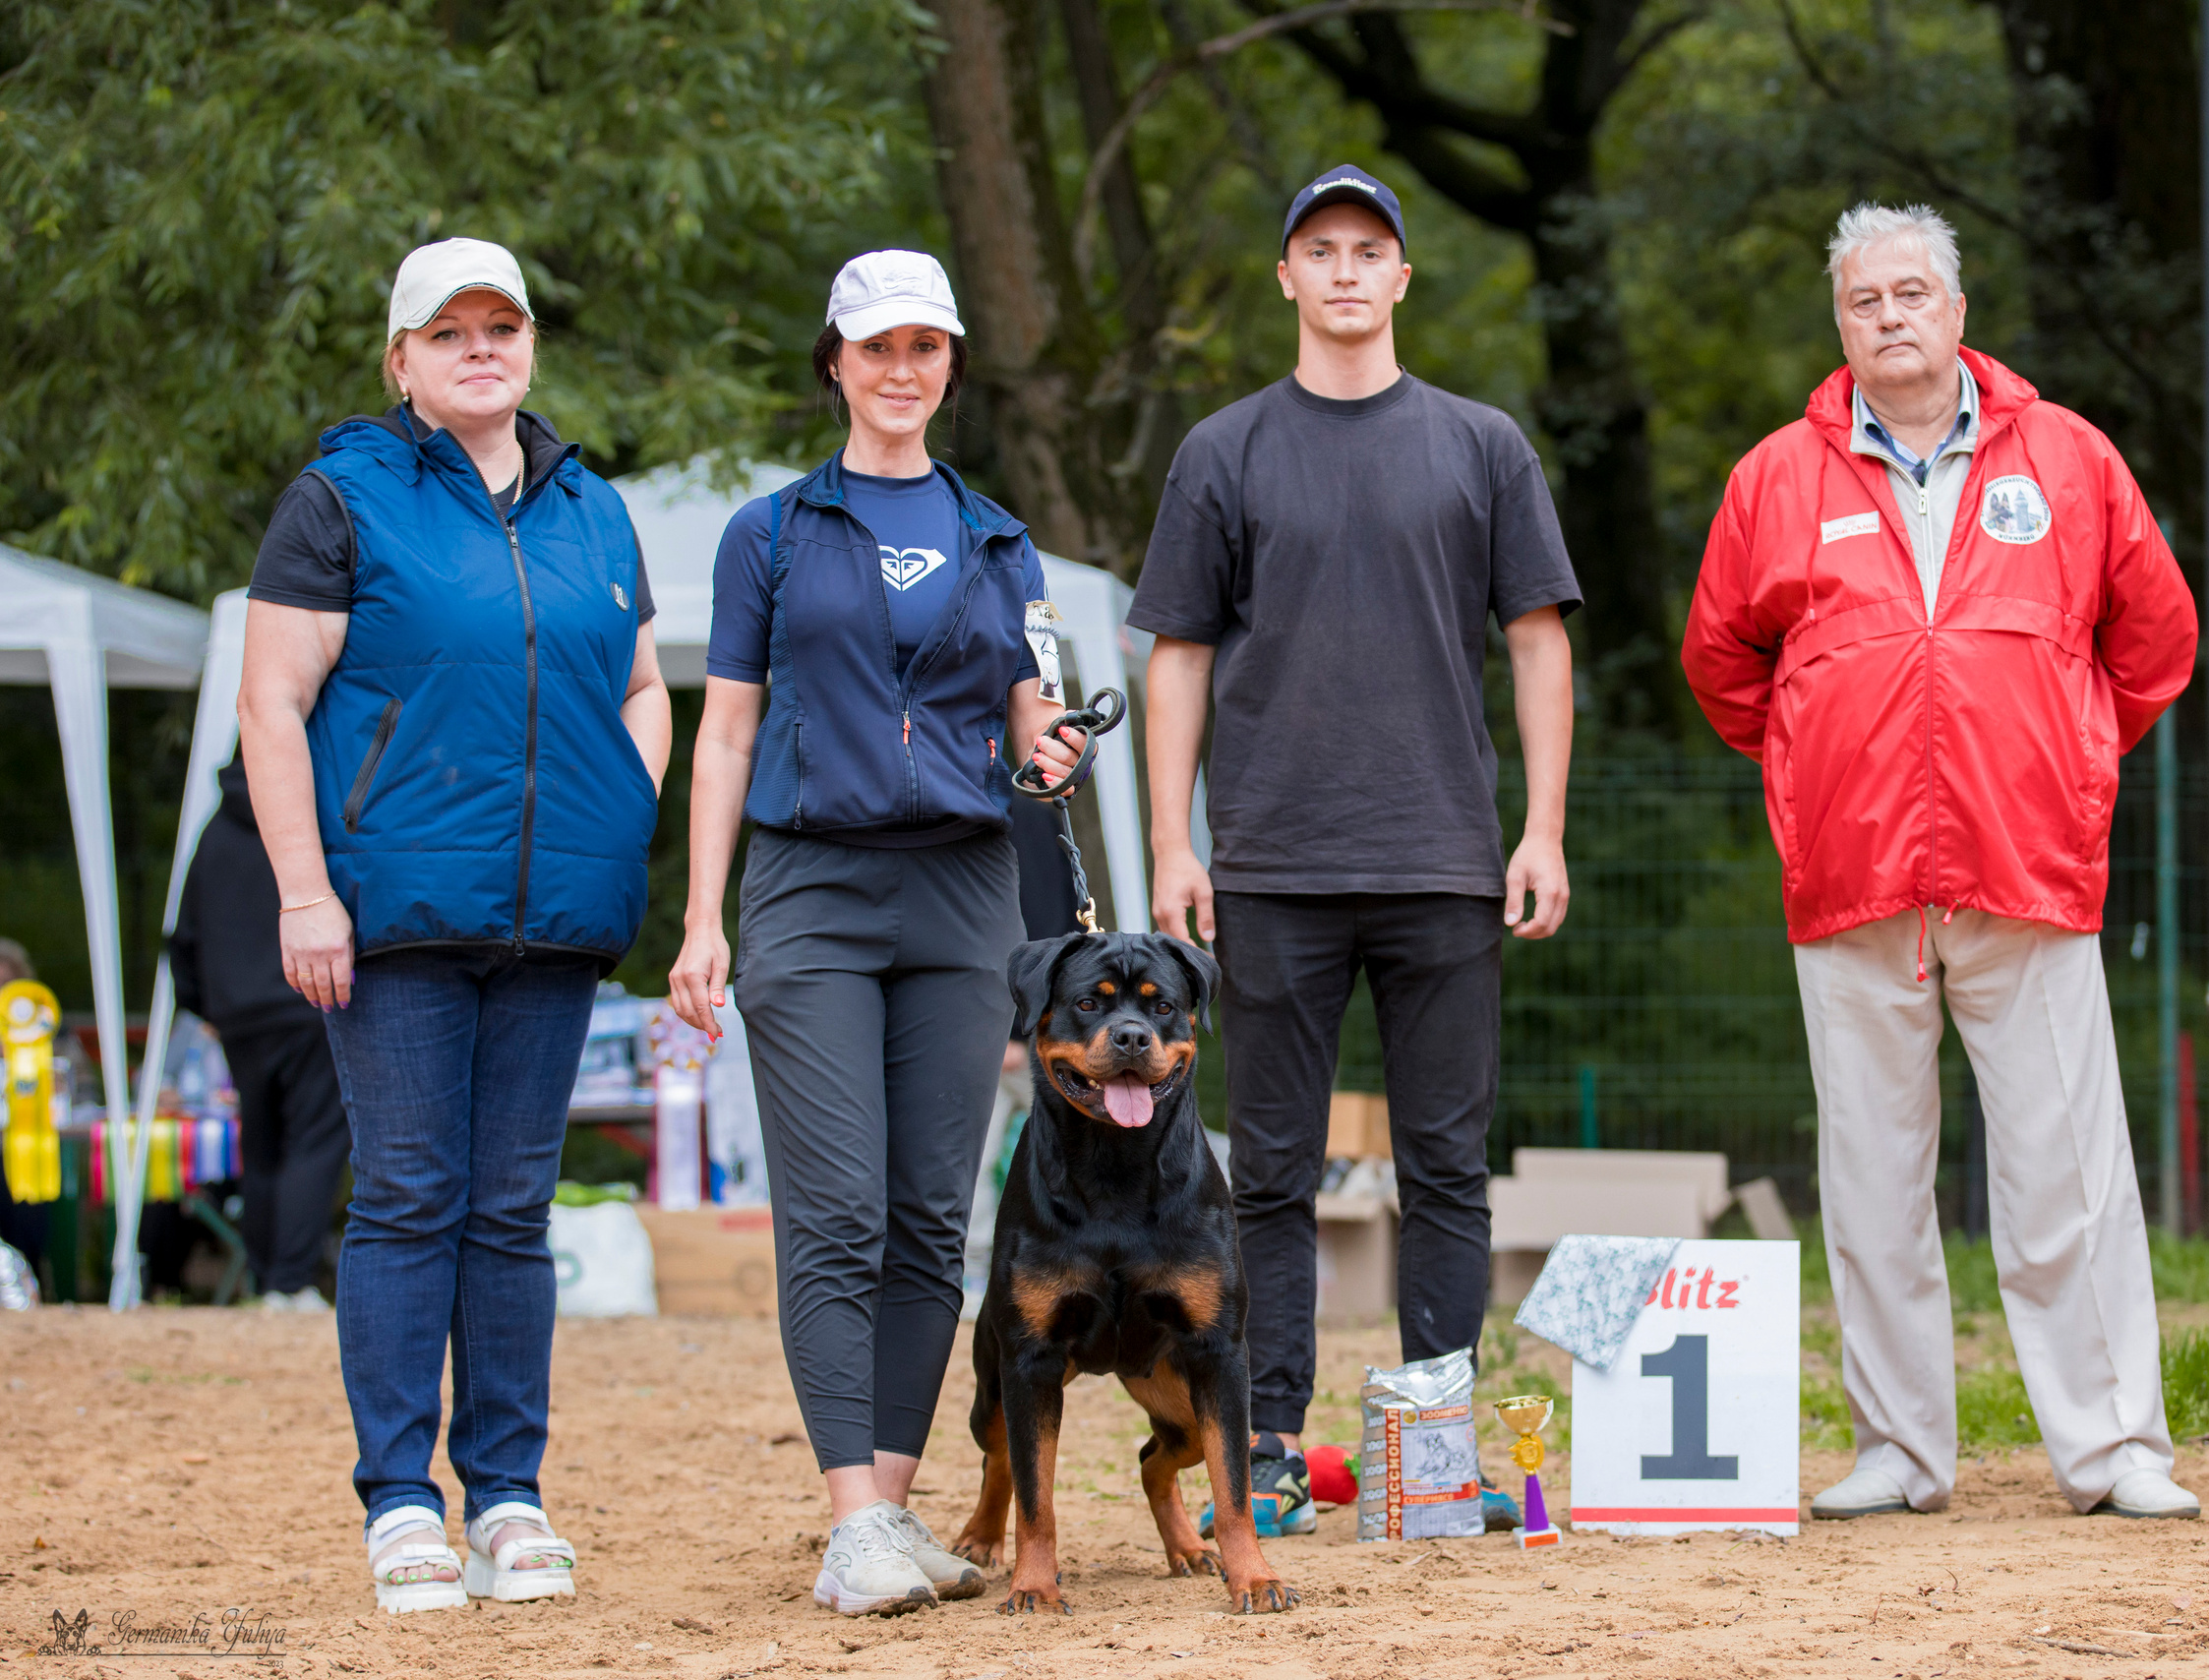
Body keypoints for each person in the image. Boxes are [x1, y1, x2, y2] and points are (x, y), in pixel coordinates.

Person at [1681, 204, 2200, 1521]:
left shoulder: (2071, 458)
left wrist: (2070, 755)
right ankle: (1901, 1456)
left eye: (1915, 292)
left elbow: (2154, 636)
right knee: (1870, 1184)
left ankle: (2115, 1452)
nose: (1893, 315)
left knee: (2068, 1178)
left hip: (2028, 865)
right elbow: (1721, 662)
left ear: (1959, 313)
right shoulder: (1773, 479)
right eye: (1867, 300)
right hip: (1850, 881)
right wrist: (1816, 764)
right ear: (1841, 325)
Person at [1130, 166, 1581, 1533]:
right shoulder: (1224, 450)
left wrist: (1542, 827)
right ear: (1286, 277)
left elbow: (1540, 641)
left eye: (1366, 250)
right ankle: (1266, 1439)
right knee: (1270, 1170)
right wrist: (1173, 841)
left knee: (1447, 1162)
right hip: (1270, 862)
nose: (1342, 271)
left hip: (1446, 857)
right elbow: (1178, 659)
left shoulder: (1483, 443)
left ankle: (1436, 1437)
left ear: (1401, 275)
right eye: (1317, 250)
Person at [238, 237, 670, 1612]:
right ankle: (401, 1502)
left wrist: (618, 802)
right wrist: (306, 891)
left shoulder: (594, 508)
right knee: (413, 1199)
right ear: (403, 359)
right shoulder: (339, 497)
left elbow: (646, 688)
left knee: (511, 1211)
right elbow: (270, 706)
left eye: (503, 324)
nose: (481, 347)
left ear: (529, 341)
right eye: (450, 331)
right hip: (395, 915)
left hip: (555, 919)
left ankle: (509, 1496)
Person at [667, 249, 1085, 1618]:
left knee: (926, 1219)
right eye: (874, 348)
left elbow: (1028, 719)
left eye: (925, 346)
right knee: (837, 1211)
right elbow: (725, 729)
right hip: (811, 886)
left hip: (967, 889)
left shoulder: (1000, 539)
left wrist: (1051, 748)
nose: (900, 370)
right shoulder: (771, 534)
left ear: (951, 363)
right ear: (835, 365)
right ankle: (853, 1525)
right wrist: (701, 917)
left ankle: (894, 1515)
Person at [168, 753, 352, 1312]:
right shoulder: (314, 819)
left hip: (238, 1017)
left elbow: (183, 932)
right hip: (311, 1001)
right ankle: (289, 1282)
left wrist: (205, 1004)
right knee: (315, 1143)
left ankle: (265, 1276)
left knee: (262, 1145)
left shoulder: (214, 833)